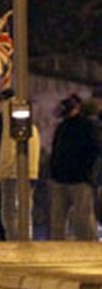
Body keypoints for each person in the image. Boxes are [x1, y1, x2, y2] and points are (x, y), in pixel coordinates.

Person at [0, 90, 41, 240]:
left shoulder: (6, 123)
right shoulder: (31, 123)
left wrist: (4, 168)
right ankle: (25, 239)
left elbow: (8, 148)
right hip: (29, 172)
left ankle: (13, 242)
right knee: (25, 211)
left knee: (9, 212)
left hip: (10, 172)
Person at [49, 93, 101, 240]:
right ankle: (80, 246)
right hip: (70, 178)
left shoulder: (85, 125)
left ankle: (86, 246)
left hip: (76, 178)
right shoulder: (66, 126)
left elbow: (95, 148)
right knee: (72, 218)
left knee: (78, 217)